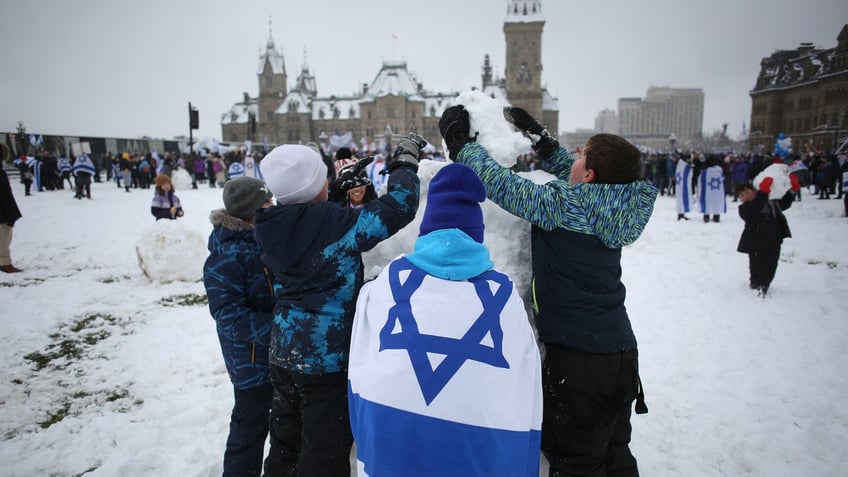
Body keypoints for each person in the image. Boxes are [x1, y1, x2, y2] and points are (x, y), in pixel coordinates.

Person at [440, 104, 656, 477]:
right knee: (615, 453)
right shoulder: (617, 204)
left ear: (588, 174)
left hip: (580, 361)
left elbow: (500, 183)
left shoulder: (560, 204)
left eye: (581, 153)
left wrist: (462, 147)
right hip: (620, 354)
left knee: (576, 463)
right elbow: (585, 185)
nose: (575, 154)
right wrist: (543, 141)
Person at [347, 163, 543, 476]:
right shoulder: (503, 296)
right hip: (477, 451)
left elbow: (358, 364)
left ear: (427, 230)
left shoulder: (388, 282)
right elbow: (526, 384)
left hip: (393, 443)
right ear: (476, 234)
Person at [253, 135, 424, 477]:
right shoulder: (339, 226)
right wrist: (404, 161)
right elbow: (400, 205)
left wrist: (329, 194)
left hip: (283, 354)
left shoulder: (267, 224)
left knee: (285, 447)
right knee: (324, 456)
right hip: (325, 363)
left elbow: (304, 224)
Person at [203, 176, 278, 477]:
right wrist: (280, 328)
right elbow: (228, 316)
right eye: (266, 203)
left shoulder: (264, 239)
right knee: (249, 427)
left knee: (280, 424)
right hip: (250, 362)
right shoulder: (226, 255)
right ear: (251, 211)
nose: (273, 206)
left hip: (275, 354)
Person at [735, 181, 795, 297]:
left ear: (754, 191)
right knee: (755, 264)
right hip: (755, 241)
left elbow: (783, 204)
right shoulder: (744, 208)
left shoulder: (768, 201)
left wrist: (791, 191)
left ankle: (763, 284)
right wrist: (764, 193)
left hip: (773, 238)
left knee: (770, 263)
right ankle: (755, 282)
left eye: (748, 192)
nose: (746, 196)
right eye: (742, 195)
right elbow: (756, 208)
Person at [0, 144, 23, 273]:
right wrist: (9, 212)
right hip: (3, 211)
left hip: (4, 209)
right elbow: (4, 194)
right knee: (4, 236)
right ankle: (4, 263)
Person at [698, 154, 726, 223]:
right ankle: (716, 216)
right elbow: (723, 178)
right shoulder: (720, 170)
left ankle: (706, 216)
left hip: (708, 191)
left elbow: (701, 180)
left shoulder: (706, 171)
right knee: (717, 203)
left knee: (708, 202)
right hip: (718, 191)